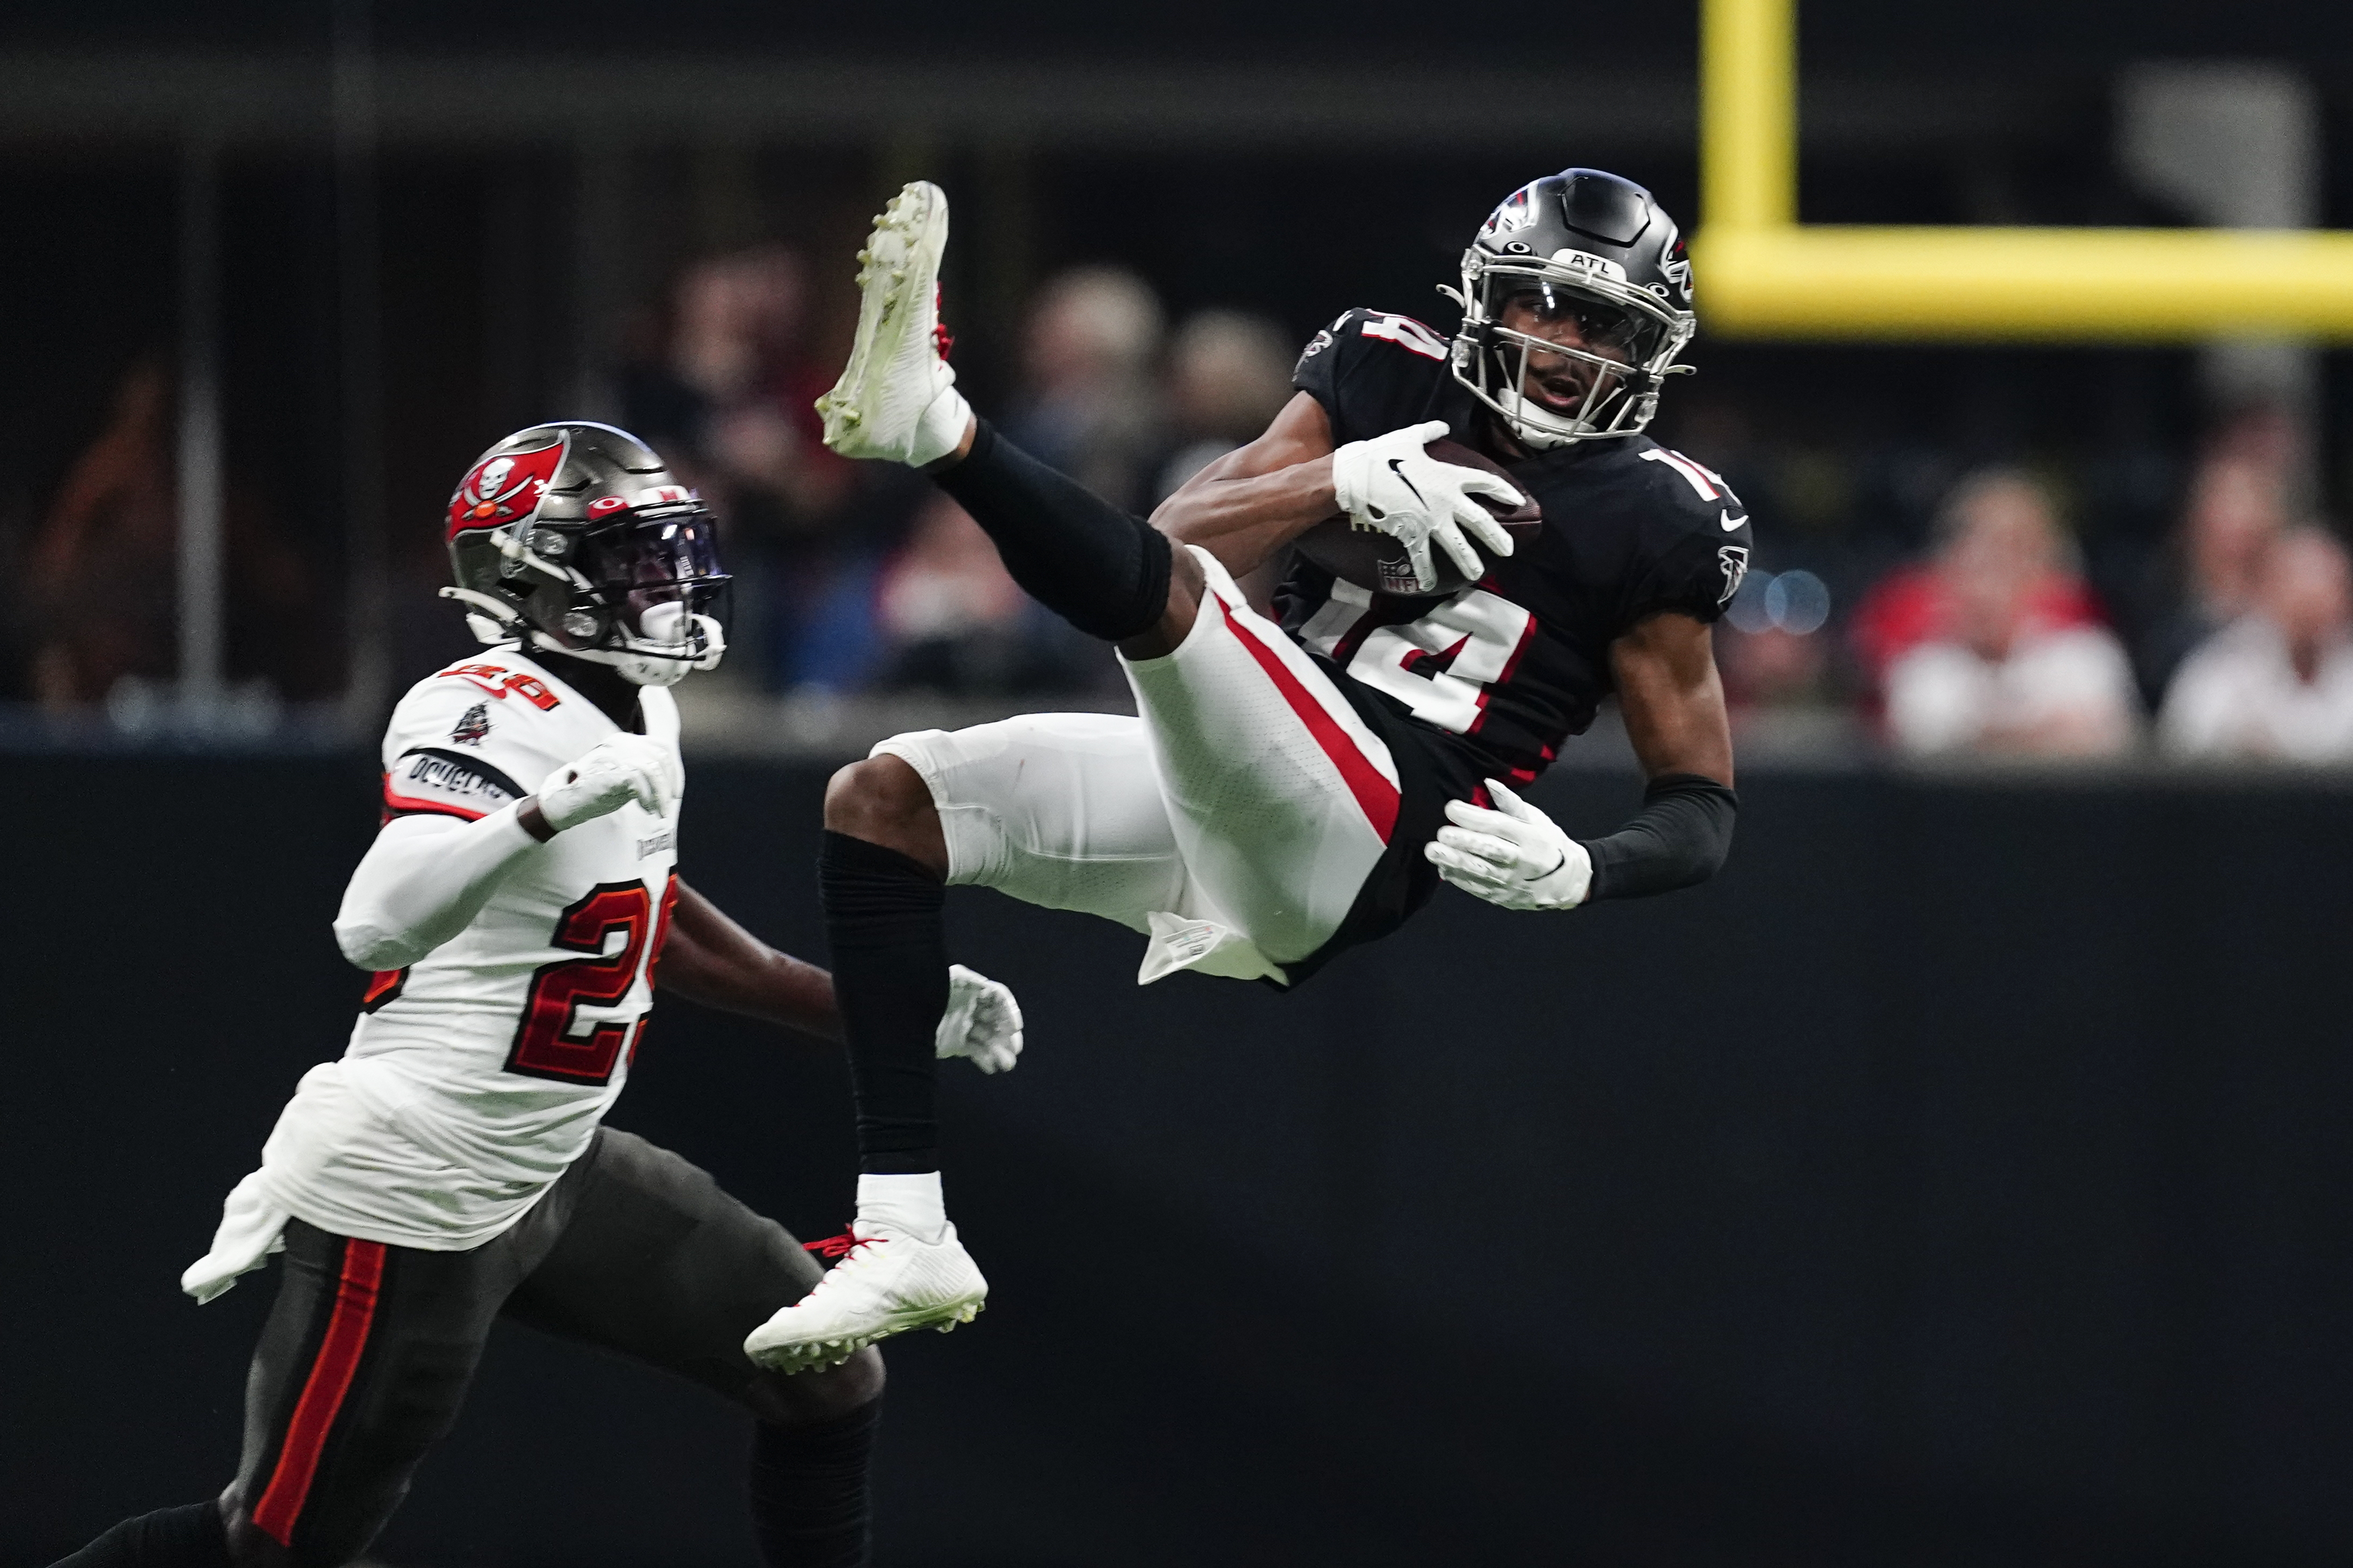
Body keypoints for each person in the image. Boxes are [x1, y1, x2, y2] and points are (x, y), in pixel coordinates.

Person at [739, 170, 1749, 1372]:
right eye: (1546, 310)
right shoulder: (1385, 371)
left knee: (1181, 614)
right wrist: (1335, 479)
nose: (1568, 350)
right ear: (1487, 301)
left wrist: (1588, 868)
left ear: (1651, 352)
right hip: (1245, 762)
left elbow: (1699, 807)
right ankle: (906, 1232)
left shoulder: (1660, 517)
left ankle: (940, 430)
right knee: (886, 799)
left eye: (1604, 329)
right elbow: (1175, 535)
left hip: (1372, 830)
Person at [51, 423, 1023, 1568]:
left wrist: (879, 1007)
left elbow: (654, 923)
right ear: (531, 585)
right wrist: (536, 811)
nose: (665, 584)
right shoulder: (473, 711)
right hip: (420, 1181)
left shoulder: (637, 706)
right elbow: (375, 918)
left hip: (555, 1160)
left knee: (822, 1360)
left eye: (667, 552)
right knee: (274, 1547)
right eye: (628, 562)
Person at [1881, 470, 2140, 758]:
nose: (1990, 583)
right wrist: (2041, 733)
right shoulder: (1924, 666)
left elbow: (2104, 743)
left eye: (2010, 557)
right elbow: (1925, 734)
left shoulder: (2086, 655)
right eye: (1977, 563)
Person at [2159, 525, 2353, 760]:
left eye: (2324, 593)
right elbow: (2181, 747)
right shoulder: (2219, 670)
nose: (2308, 609)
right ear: (2265, 592)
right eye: (2294, 588)